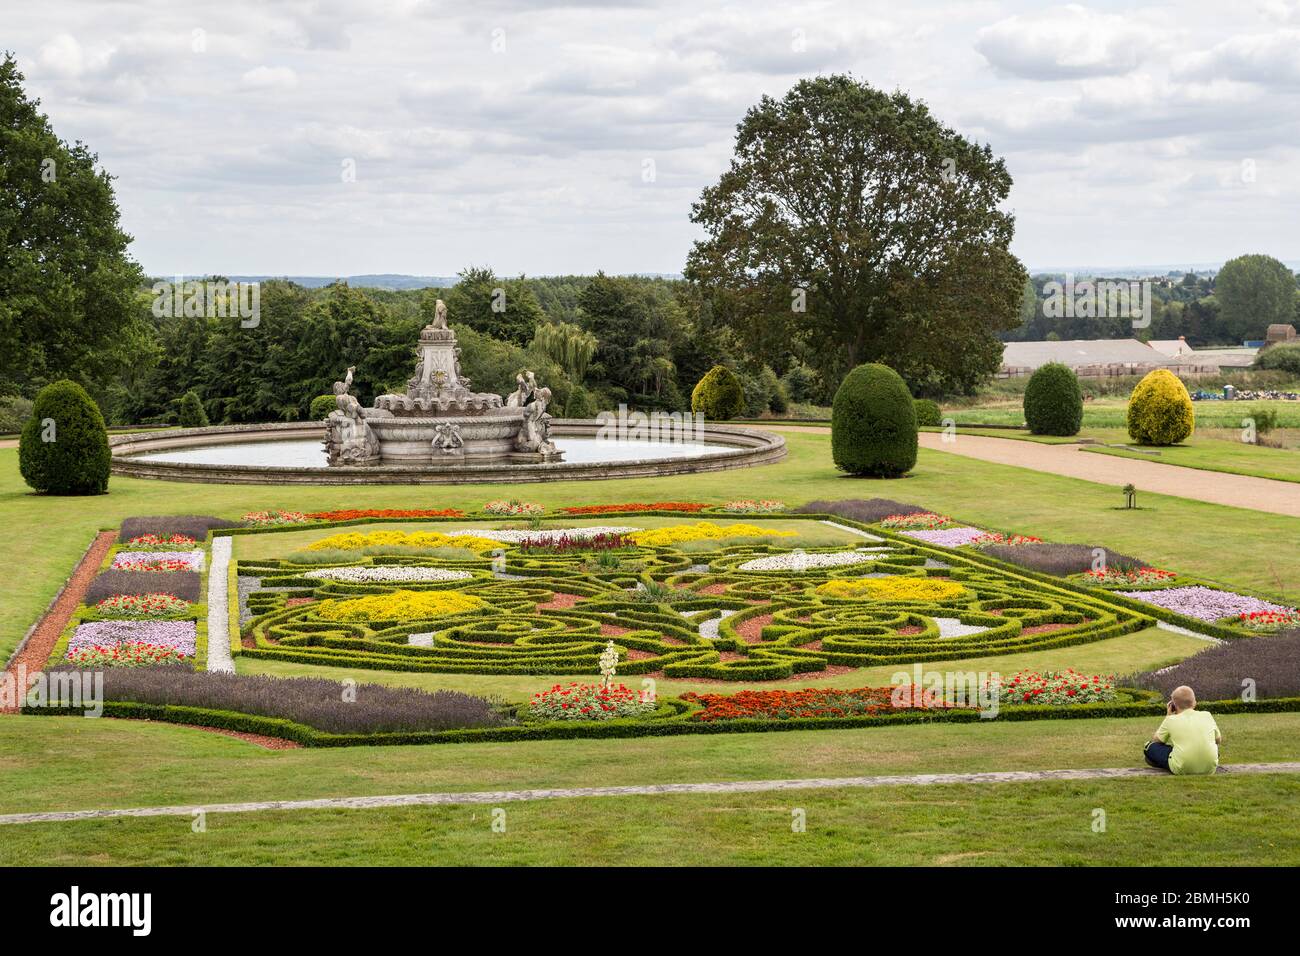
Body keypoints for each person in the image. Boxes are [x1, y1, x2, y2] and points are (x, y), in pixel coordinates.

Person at [1143, 685, 1222, 775]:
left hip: (1181, 768)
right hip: (1210, 768)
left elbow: (1157, 741)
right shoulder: (1207, 715)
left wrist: (1168, 716)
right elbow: (1218, 740)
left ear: (1173, 705)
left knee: (1149, 746)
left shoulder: (1171, 720)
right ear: (1194, 702)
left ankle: (1171, 762)